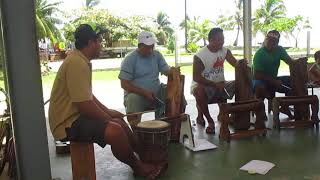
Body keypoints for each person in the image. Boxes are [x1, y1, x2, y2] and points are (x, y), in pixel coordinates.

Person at [48, 24, 162, 179]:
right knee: (115, 130)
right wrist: (108, 117)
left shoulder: (79, 60)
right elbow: (85, 105)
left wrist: (108, 112)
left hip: (75, 118)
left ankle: (143, 155)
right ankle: (139, 167)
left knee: (119, 121)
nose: (101, 45)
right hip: (66, 124)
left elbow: (88, 96)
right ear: (90, 43)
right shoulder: (76, 63)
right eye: (99, 42)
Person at [118, 31, 178, 127]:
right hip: (138, 95)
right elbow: (124, 84)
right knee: (132, 99)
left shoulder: (157, 55)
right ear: (140, 45)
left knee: (175, 93)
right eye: (147, 47)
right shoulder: (130, 59)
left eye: (152, 46)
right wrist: (144, 92)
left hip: (156, 92)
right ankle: (136, 131)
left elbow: (166, 71)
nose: (150, 50)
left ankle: (169, 125)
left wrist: (173, 71)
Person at [191, 28, 239, 134]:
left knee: (238, 84)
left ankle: (228, 114)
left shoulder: (225, 51)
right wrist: (214, 84)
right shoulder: (200, 56)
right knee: (199, 91)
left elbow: (235, 64)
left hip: (220, 84)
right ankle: (210, 121)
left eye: (223, 39)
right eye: (219, 39)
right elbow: (196, 78)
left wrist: (241, 64)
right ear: (211, 40)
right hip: (203, 84)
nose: (222, 42)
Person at [252, 30, 307, 118]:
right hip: (259, 80)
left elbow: (290, 62)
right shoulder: (259, 54)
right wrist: (273, 81)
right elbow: (257, 75)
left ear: (277, 42)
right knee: (260, 87)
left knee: (292, 81)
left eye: (273, 41)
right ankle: (259, 110)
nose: (270, 42)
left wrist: (300, 63)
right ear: (265, 39)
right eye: (268, 40)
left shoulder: (280, 50)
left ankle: (285, 106)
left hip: (273, 78)